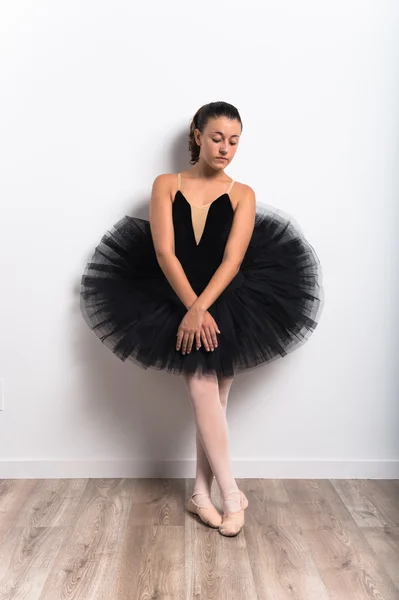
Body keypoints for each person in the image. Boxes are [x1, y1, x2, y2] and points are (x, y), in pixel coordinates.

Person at [80, 101, 323, 537]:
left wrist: (202, 309)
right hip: (170, 295)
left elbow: (233, 260)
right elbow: (164, 252)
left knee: (213, 399)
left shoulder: (242, 193)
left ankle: (199, 492)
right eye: (216, 138)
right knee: (202, 391)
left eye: (233, 141)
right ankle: (231, 495)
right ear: (196, 134)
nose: (225, 148)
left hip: (228, 300)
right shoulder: (166, 184)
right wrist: (190, 308)